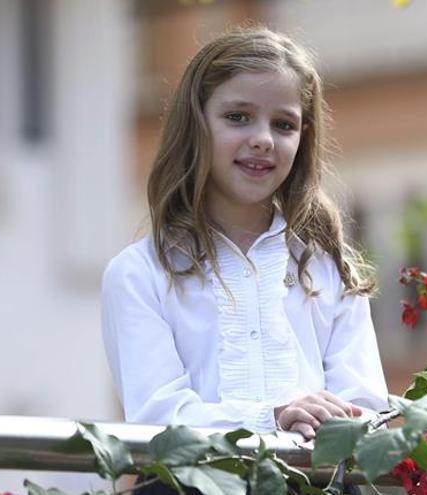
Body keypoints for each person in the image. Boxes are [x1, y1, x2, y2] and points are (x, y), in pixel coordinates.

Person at [101, 27, 388, 440]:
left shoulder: (328, 267)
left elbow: (366, 406)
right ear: (196, 124)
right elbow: (156, 417)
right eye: (238, 117)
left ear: (303, 138)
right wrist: (270, 417)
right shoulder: (139, 274)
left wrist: (334, 422)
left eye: (284, 124)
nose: (262, 140)